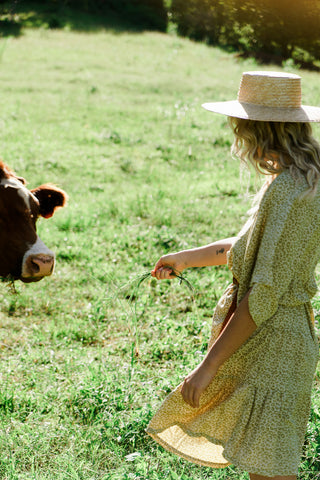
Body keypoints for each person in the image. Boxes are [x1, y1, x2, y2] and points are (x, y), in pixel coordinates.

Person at [146, 71, 320, 480]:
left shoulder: (287, 190)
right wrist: (187, 258)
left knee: (271, 472)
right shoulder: (303, 181)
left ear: (254, 128)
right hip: (280, 340)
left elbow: (263, 293)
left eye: (240, 126)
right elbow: (256, 250)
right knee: (267, 465)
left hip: (271, 343)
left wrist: (207, 367)